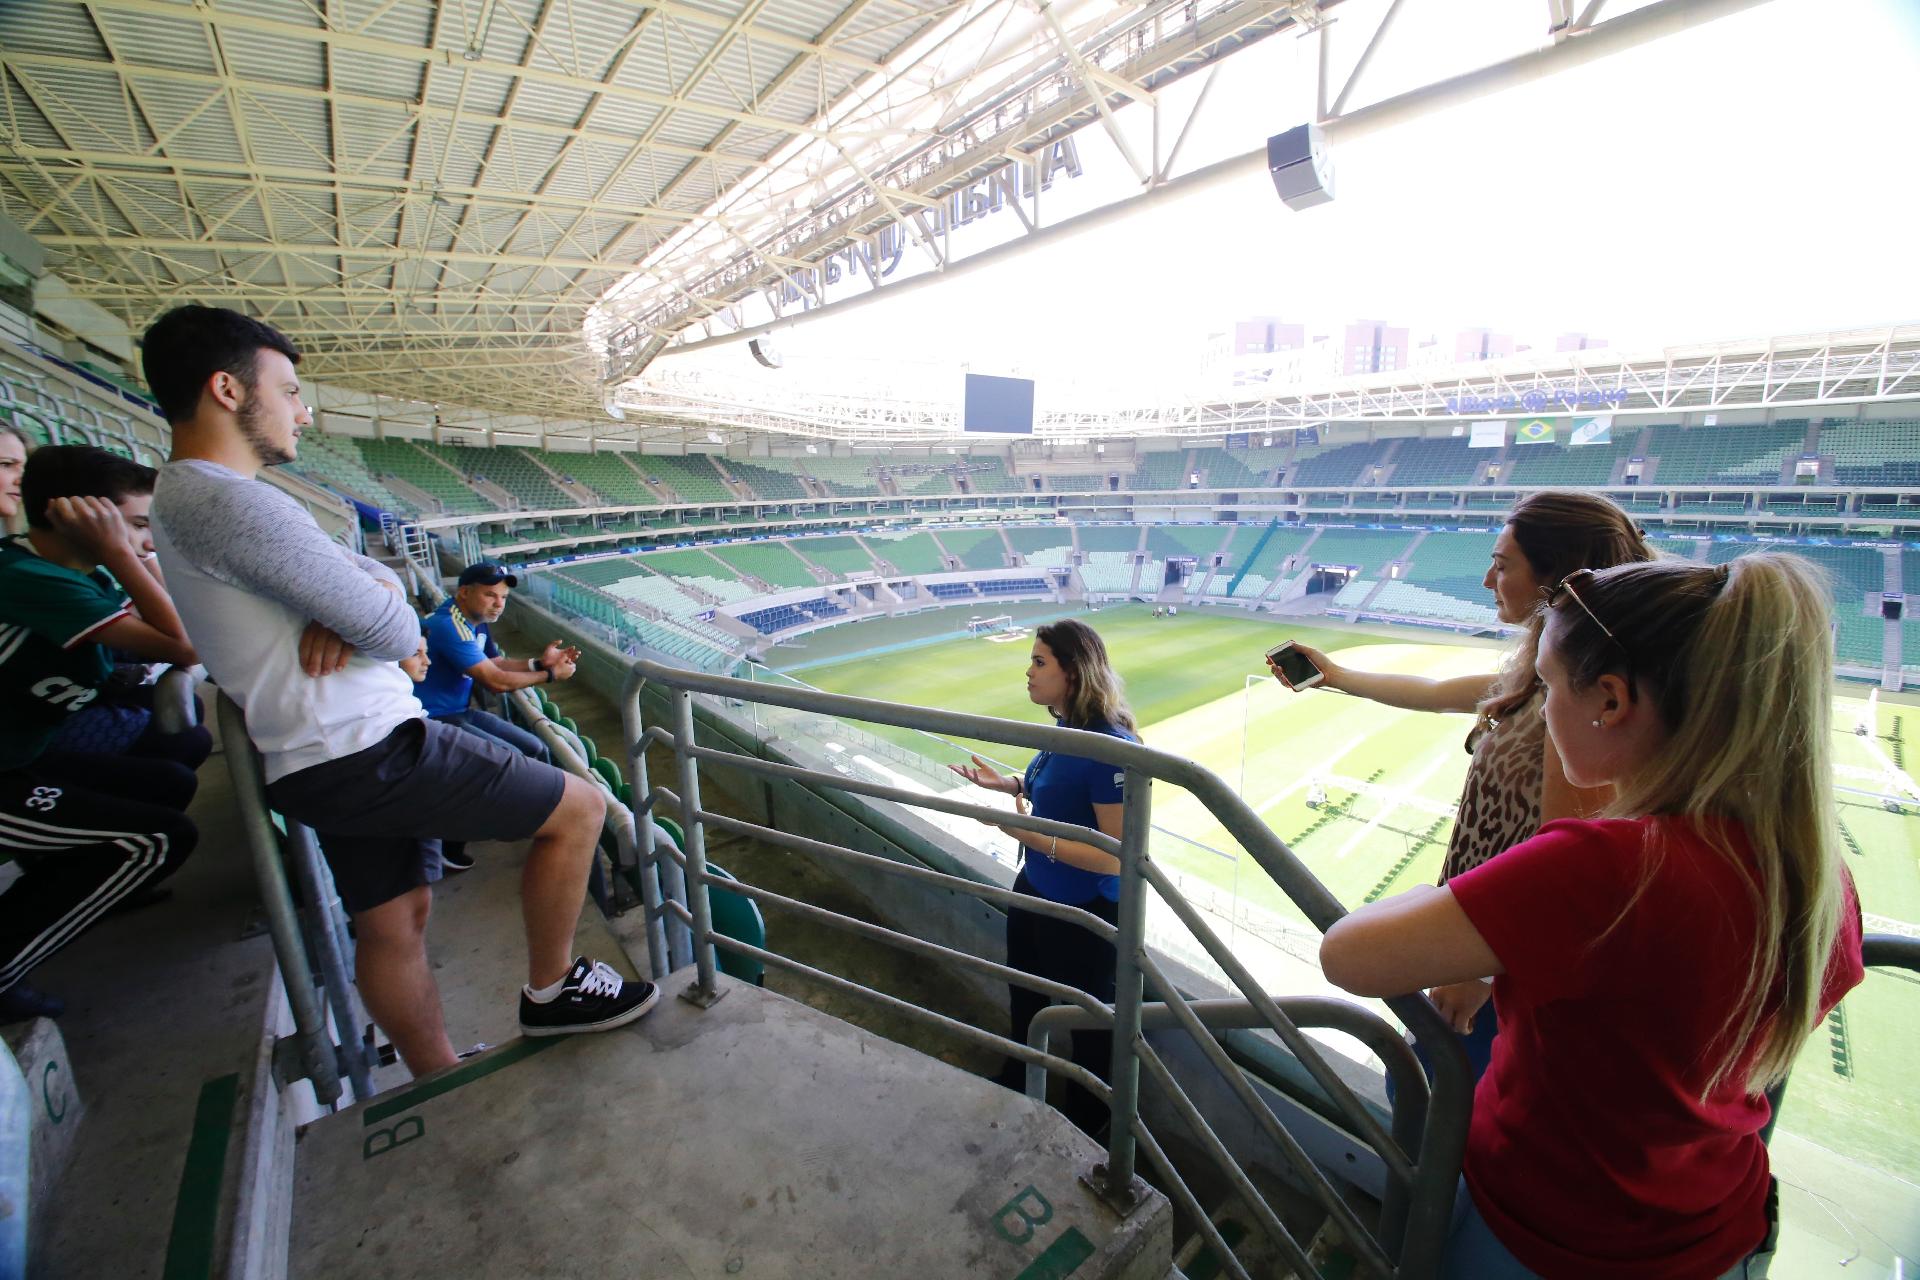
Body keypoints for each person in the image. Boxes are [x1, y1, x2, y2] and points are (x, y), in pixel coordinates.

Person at [143, 304, 655, 1077]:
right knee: (579, 810)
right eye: (287, 390)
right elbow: (395, 629)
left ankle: (435, 1072)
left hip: (319, 759)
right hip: (369, 748)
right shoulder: (227, 500)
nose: (302, 411)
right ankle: (553, 992)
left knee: (395, 921)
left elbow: (375, 588)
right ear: (225, 389)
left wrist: (363, 602)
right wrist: (380, 622)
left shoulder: (194, 498)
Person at [1321, 554, 1864, 1280]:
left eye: (1547, 686)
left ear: (1610, 700)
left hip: (1554, 1236)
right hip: (1716, 1225)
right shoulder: (1817, 871)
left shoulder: (1609, 870)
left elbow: (1348, 954)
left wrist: (1465, 888)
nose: (1540, 710)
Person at [1270, 490, 1652, 1081]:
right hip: (1482, 941)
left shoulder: (1573, 705)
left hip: (1497, 968)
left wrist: (1480, 970)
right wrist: (1337, 677)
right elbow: (1434, 691)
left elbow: (1566, 868)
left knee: (1439, 1118)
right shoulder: (1540, 678)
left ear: (1559, 581)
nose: (1486, 580)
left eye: (1503, 565)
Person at [0, 445, 203, 1021]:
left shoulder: (75, 574)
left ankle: (70, 885)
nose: (145, 540)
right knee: (158, 839)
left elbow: (179, 618)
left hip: (23, 758)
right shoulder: (34, 579)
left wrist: (127, 550)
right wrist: (120, 553)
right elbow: (187, 642)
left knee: (164, 782)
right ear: (75, 515)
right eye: (138, 524)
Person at [950, 618, 1136, 1135]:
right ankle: (1020, 1074)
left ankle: (1089, 1118)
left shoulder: (1110, 749)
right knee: (1025, 994)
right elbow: (1055, 794)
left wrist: (1021, 831)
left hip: (1085, 913)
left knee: (1087, 1024)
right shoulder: (1068, 730)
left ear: (1072, 674)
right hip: (1036, 890)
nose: (1027, 672)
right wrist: (1004, 783)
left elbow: (1115, 856)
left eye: (1039, 662)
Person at [416, 561, 573, 767]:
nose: (499, 604)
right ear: (464, 592)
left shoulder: (476, 621)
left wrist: (540, 664)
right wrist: (551, 674)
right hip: (433, 717)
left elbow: (495, 663)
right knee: (513, 758)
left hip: (459, 711)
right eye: (490, 595)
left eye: (504, 597)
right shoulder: (450, 625)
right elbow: (496, 682)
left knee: (537, 747)